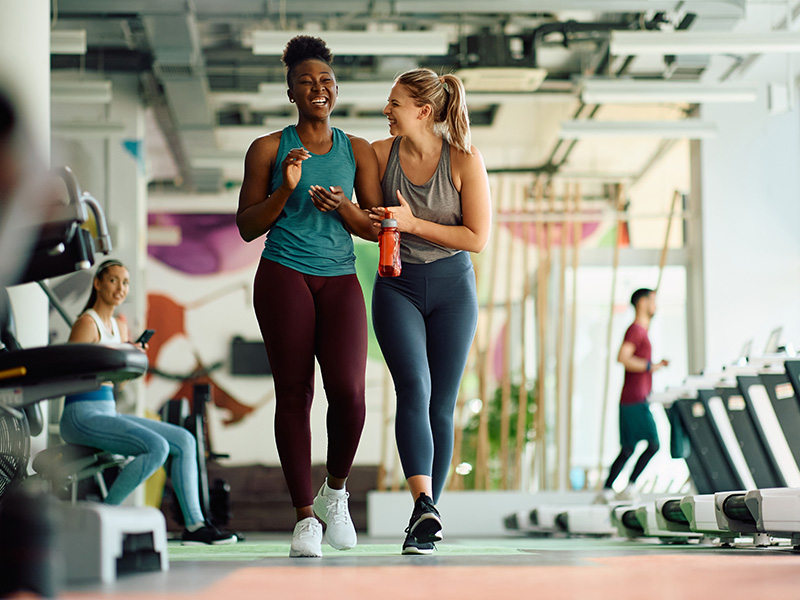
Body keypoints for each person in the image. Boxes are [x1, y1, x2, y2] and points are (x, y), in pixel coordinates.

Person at [236, 36, 382, 558]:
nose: (317, 88)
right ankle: (304, 519)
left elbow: (374, 225)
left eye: (325, 81)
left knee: (350, 393)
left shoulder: (357, 149)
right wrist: (285, 188)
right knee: (295, 393)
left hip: (339, 275)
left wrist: (343, 209)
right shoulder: (269, 149)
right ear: (291, 92)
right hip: (283, 272)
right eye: (306, 82)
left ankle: (334, 493)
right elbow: (247, 226)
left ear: (335, 89)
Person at [369, 68, 491, 554]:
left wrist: (414, 222)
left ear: (422, 111)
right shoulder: (381, 156)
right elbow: (365, 214)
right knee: (414, 387)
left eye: (394, 103)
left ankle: (427, 517)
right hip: (397, 287)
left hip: (453, 287)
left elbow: (476, 238)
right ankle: (423, 503)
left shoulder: (464, 159)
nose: (387, 111)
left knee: (442, 403)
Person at [59, 259, 237, 546]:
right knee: (157, 446)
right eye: (114, 280)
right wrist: (112, 357)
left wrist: (131, 358)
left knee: (184, 439)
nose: (120, 288)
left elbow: (119, 384)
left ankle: (194, 526)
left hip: (107, 410)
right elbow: (68, 375)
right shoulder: (87, 322)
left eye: (125, 282)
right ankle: (104, 518)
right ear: (98, 284)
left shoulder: (119, 326)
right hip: (81, 414)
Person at [598, 288, 669, 502]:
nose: (655, 306)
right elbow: (623, 357)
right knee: (653, 443)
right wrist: (650, 366)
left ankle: (608, 490)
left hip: (636, 397)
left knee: (628, 448)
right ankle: (627, 487)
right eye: (653, 301)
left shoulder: (641, 331)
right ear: (642, 303)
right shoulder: (636, 331)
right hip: (634, 398)